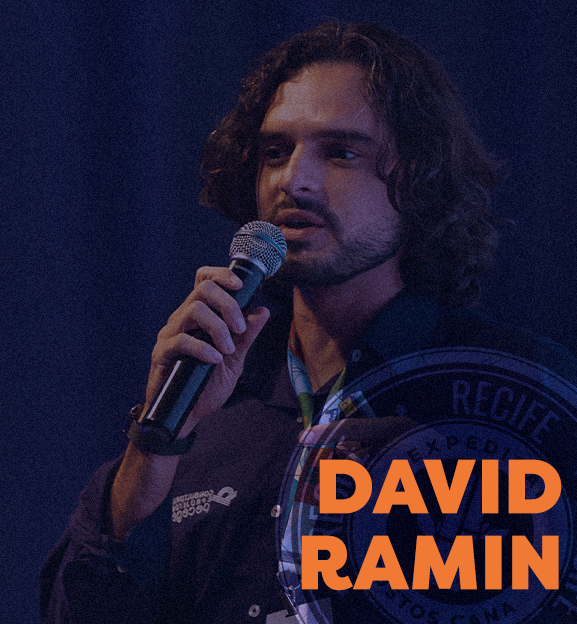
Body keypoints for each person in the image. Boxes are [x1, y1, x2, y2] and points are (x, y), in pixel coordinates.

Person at [40, 22, 577, 624]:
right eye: (275, 152)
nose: (292, 180)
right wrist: (157, 442)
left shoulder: (514, 393)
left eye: (340, 152)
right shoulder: (209, 396)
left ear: (418, 179)